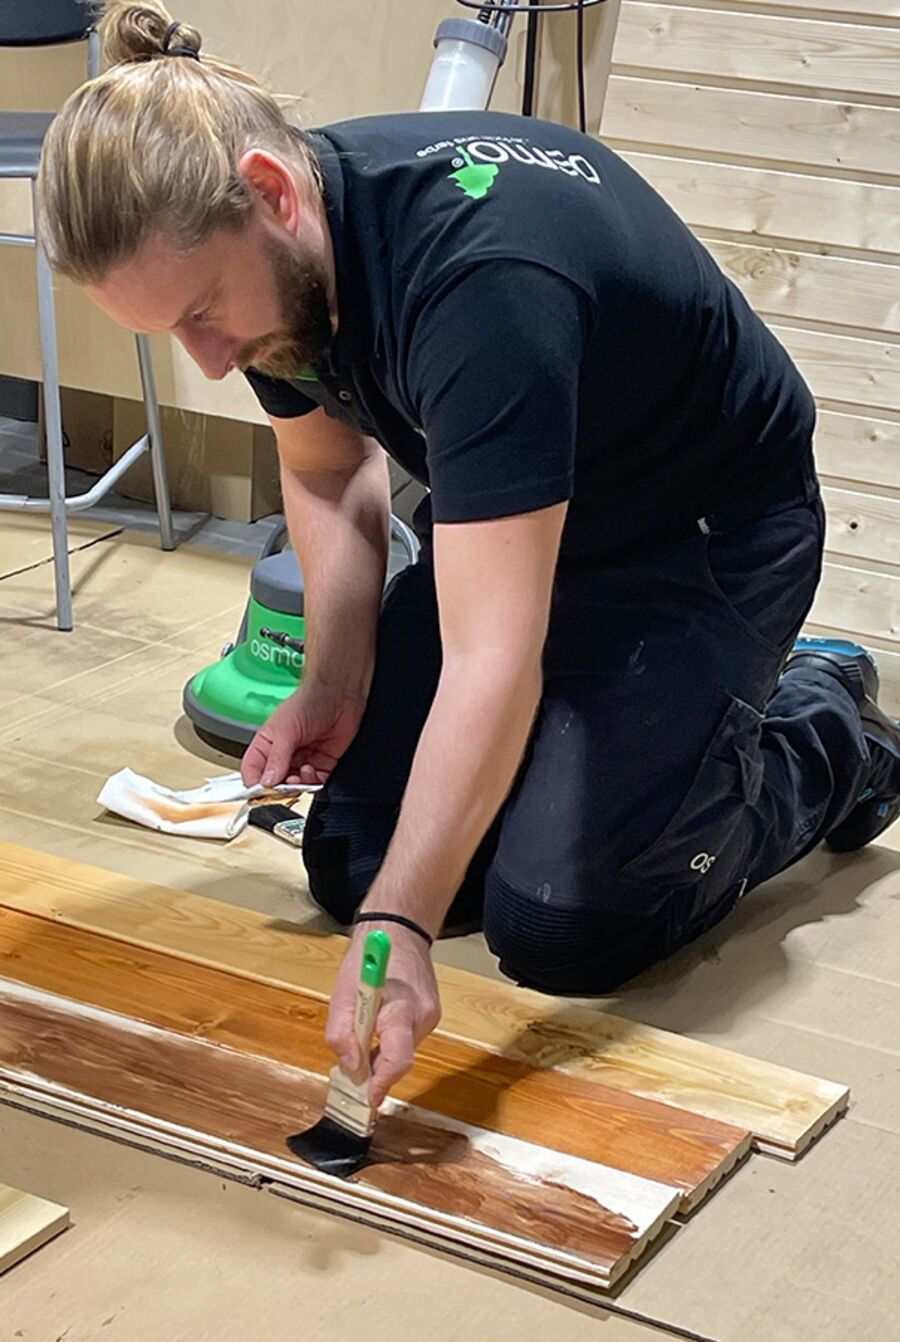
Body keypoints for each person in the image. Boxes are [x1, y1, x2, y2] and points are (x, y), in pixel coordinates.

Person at [39, 1, 900, 1108]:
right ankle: (609, 759)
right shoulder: (269, 260)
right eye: (173, 332)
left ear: (273, 192)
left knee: (567, 924)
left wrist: (402, 930)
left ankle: (825, 727)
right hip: (524, 528)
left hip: (699, 541)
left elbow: (495, 657)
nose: (209, 362)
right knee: (354, 864)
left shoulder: (482, 284)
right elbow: (325, 468)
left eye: (204, 314)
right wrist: (334, 681)